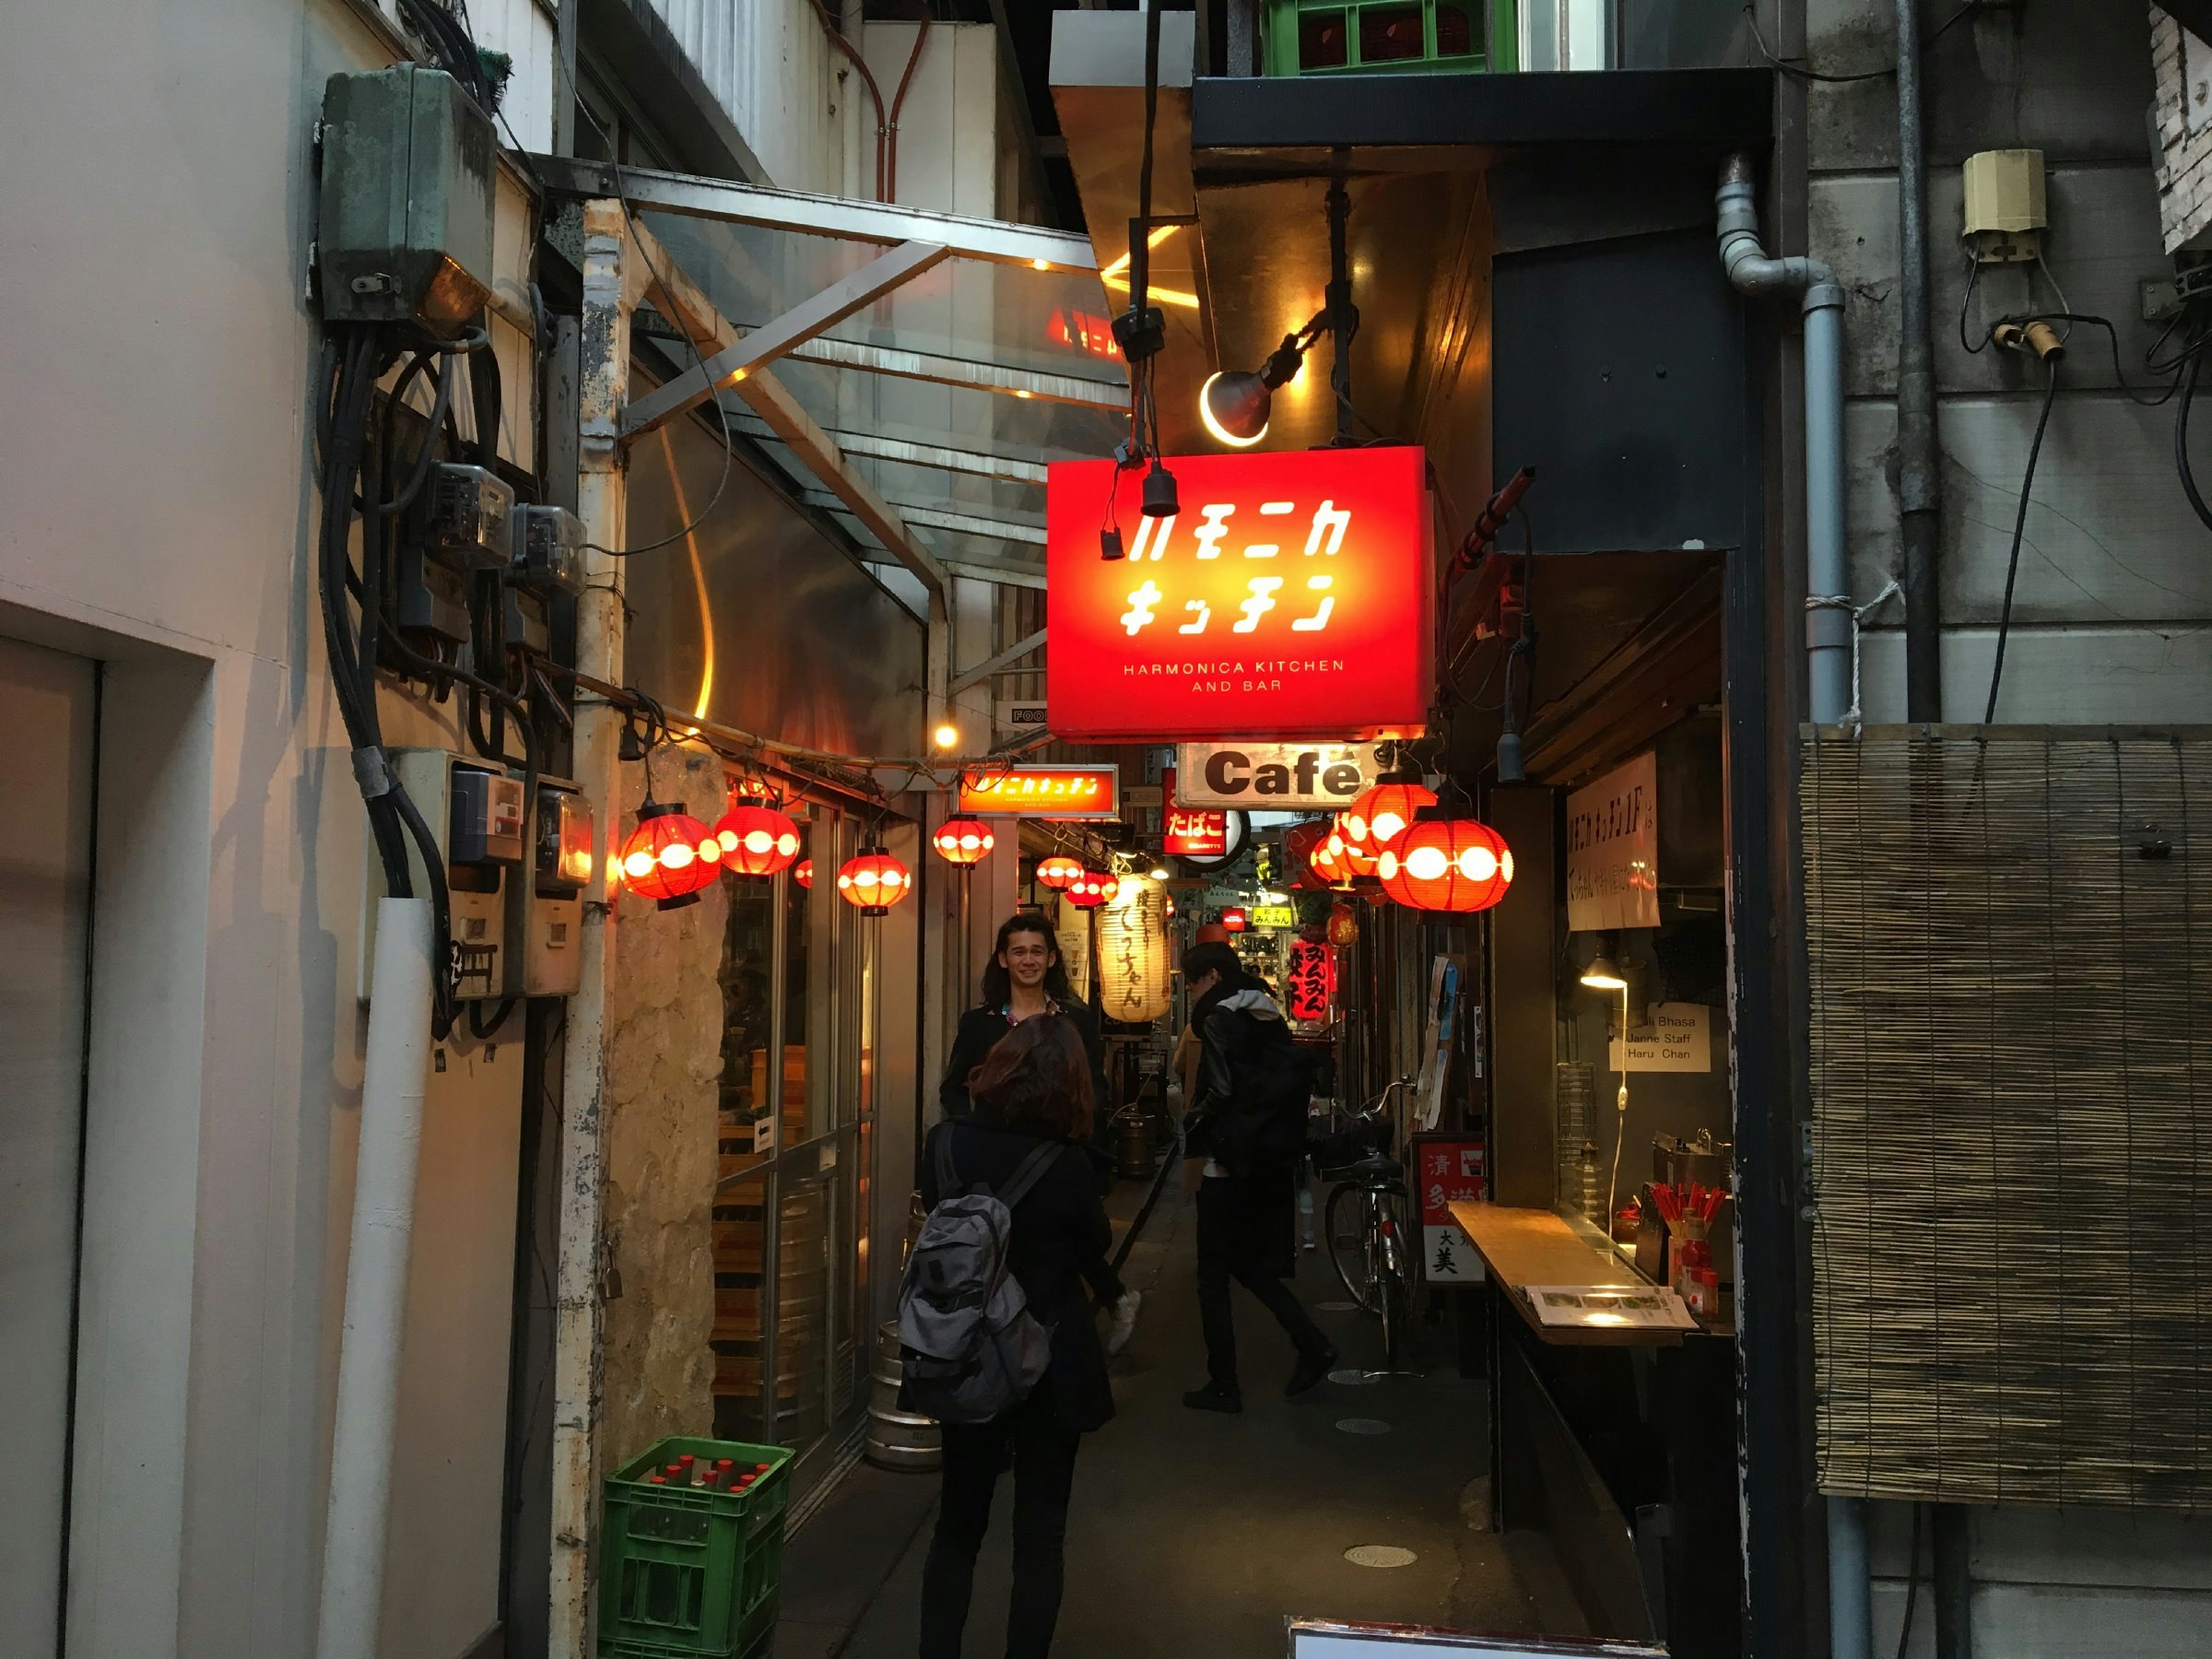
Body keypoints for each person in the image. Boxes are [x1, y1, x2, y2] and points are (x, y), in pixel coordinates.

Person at [916, 1016, 1115, 1659]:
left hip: (965, 1352)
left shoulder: (943, 1143)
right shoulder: (1071, 1165)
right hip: (1048, 1357)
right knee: (1039, 1534)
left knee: (958, 1523)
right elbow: (1091, 1249)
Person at [940, 913, 1141, 1355]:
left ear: (1051, 958)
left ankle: (1061, 1338)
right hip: (998, 1154)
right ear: (1002, 959)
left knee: (1061, 1245)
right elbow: (953, 1087)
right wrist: (966, 1132)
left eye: (1036, 951)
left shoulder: (1075, 1019)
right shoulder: (982, 1023)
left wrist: (1085, 1132)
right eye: (1018, 951)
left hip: (1059, 1153)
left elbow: (1097, 1084)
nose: (1027, 960)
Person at [1179, 941, 1337, 1413]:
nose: (1191, 992)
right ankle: (1311, 1344)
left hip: (1226, 1163)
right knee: (1247, 1266)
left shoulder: (1217, 1020)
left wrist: (1193, 1120)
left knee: (1212, 1276)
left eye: (1192, 983)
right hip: (1268, 1158)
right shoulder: (1268, 1017)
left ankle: (1224, 1383)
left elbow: (1222, 1090)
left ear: (1210, 977)